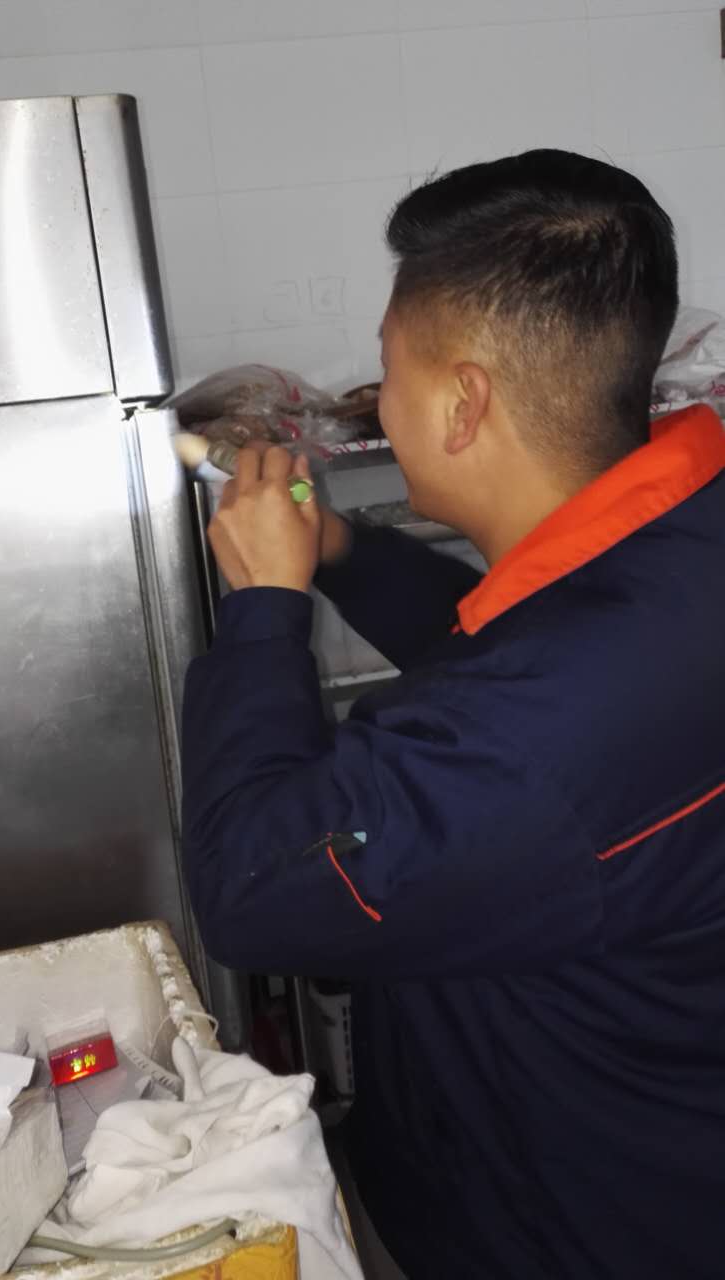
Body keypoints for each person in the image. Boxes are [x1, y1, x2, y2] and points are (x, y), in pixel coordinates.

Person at [179, 149, 725, 1279]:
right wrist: (341, 551)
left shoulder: (525, 737)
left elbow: (251, 886)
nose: (381, 398)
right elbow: (511, 656)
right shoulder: (680, 545)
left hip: (578, 1226)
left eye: (389, 368)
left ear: (463, 402)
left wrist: (266, 609)